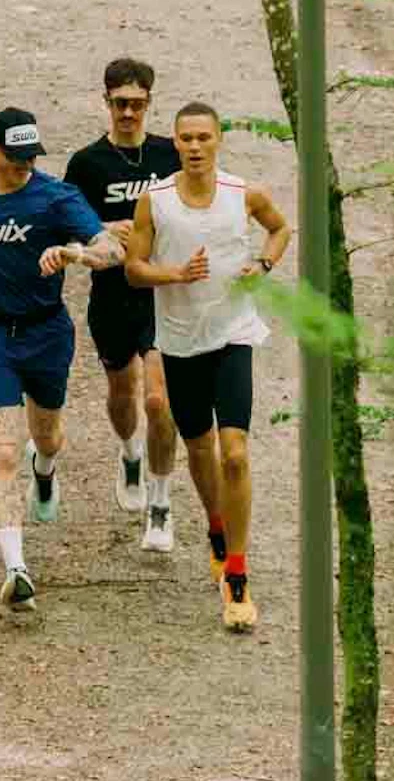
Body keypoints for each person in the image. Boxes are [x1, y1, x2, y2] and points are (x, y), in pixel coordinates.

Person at [0, 105, 118, 610]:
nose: (23, 167)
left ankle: (47, 468)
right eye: (14, 158)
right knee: (2, 451)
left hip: (46, 331)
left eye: (30, 158)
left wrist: (74, 254)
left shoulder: (55, 197)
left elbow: (112, 250)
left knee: (46, 436)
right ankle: (17, 568)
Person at [121, 100, 288, 631]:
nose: (195, 147)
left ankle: (237, 575)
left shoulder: (244, 194)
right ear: (175, 143)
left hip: (233, 335)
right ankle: (217, 528)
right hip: (180, 342)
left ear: (218, 141)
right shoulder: (157, 201)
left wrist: (262, 264)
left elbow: (280, 229)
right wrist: (175, 275)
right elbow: (132, 270)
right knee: (199, 448)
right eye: (186, 139)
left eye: (203, 138)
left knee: (234, 452)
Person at [62, 55, 184, 551]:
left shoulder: (170, 155)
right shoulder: (87, 163)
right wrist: (103, 229)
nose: (128, 113)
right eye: (119, 104)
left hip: (161, 294)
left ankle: (160, 503)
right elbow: (67, 219)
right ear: (106, 102)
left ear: (149, 103)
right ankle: (130, 453)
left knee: (159, 400)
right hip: (112, 296)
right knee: (122, 396)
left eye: (136, 104)